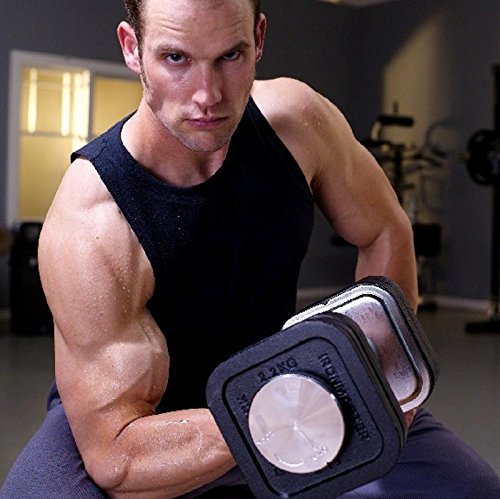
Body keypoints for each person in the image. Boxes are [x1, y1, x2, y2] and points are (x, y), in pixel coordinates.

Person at [2, 0, 499, 497]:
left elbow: (384, 230)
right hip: (147, 425)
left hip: (294, 378)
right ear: (133, 49)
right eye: (176, 58)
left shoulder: (296, 123)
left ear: (258, 39)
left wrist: (381, 371)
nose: (207, 95)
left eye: (230, 56)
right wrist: (273, 411)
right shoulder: (91, 220)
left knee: (471, 489)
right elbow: (117, 454)